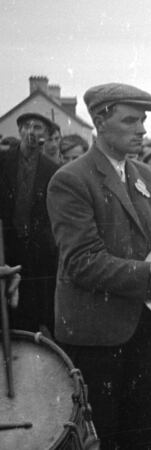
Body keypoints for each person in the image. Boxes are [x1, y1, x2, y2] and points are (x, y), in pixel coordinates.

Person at [46, 82, 151, 448]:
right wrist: (148, 273)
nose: (142, 130)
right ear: (100, 120)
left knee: (146, 425)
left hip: (140, 328)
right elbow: (82, 262)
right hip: (96, 335)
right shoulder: (71, 179)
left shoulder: (144, 174)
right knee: (104, 433)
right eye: (131, 121)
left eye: (143, 121)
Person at [0, 112, 60, 334]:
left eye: (38, 128)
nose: (32, 132)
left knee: (29, 312)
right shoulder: (2, 160)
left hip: (35, 254)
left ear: (45, 135)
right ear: (20, 131)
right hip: (4, 247)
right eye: (27, 126)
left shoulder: (52, 169)